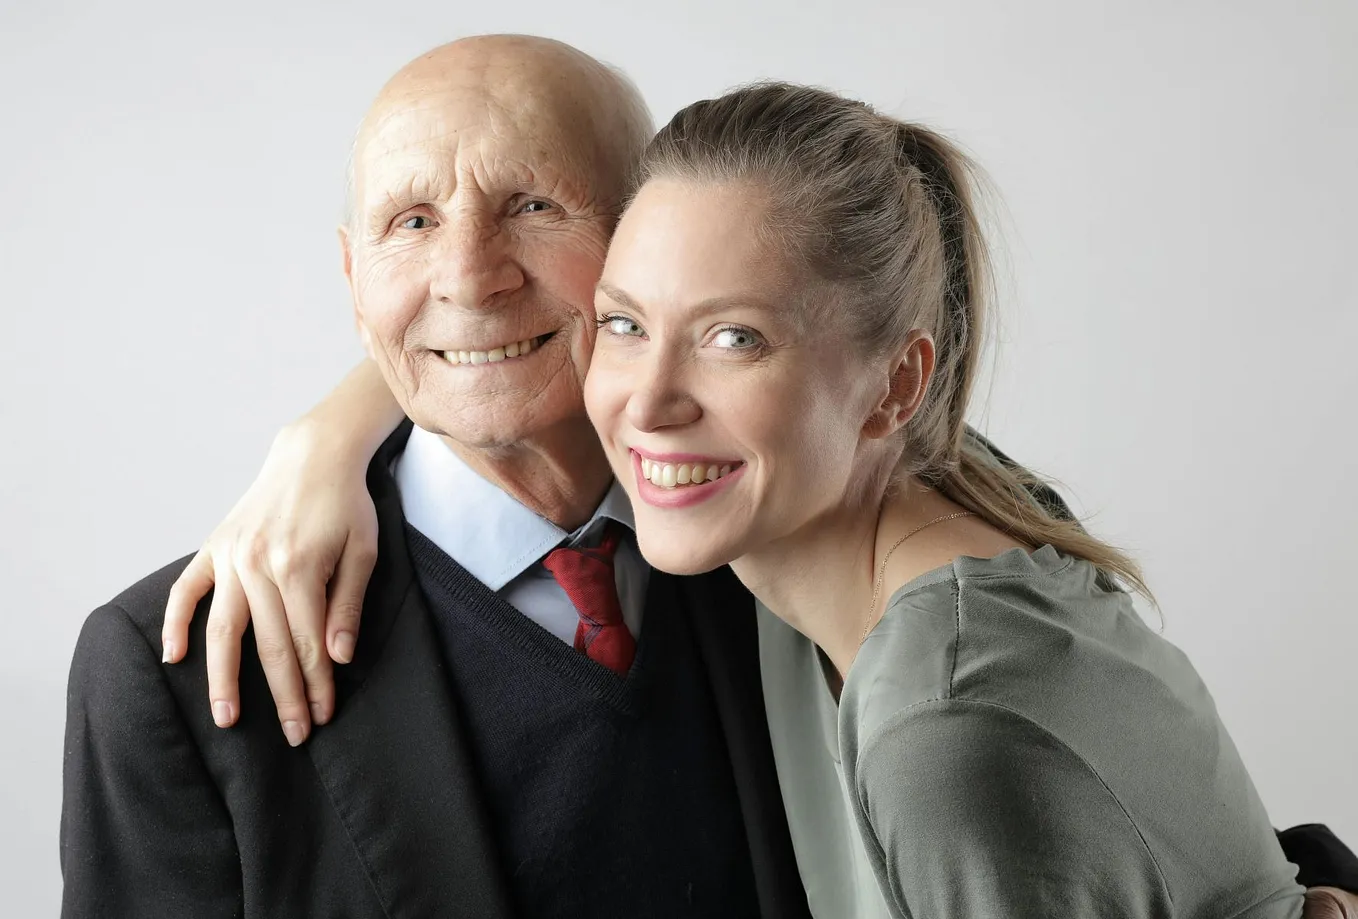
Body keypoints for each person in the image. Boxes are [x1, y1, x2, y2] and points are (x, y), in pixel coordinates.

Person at [151, 67, 1358, 919]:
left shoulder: (908, 660)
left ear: (894, 383)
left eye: (732, 339)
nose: (650, 398)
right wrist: (322, 437)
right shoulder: (866, 503)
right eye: (626, 325)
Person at [61, 36, 808, 919]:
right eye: (412, 222)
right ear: (353, 277)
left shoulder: (787, 537)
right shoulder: (173, 669)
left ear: (642, 242)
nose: (469, 278)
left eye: (533, 204)